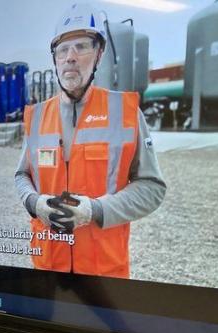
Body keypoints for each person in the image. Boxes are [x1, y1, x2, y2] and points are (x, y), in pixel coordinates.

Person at [15, 3, 166, 278]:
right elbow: (21, 175)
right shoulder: (36, 117)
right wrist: (34, 203)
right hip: (48, 269)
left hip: (104, 274)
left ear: (99, 53)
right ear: (55, 58)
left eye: (81, 46)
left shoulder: (126, 114)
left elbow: (152, 187)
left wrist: (95, 210)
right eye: (63, 49)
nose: (70, 57)